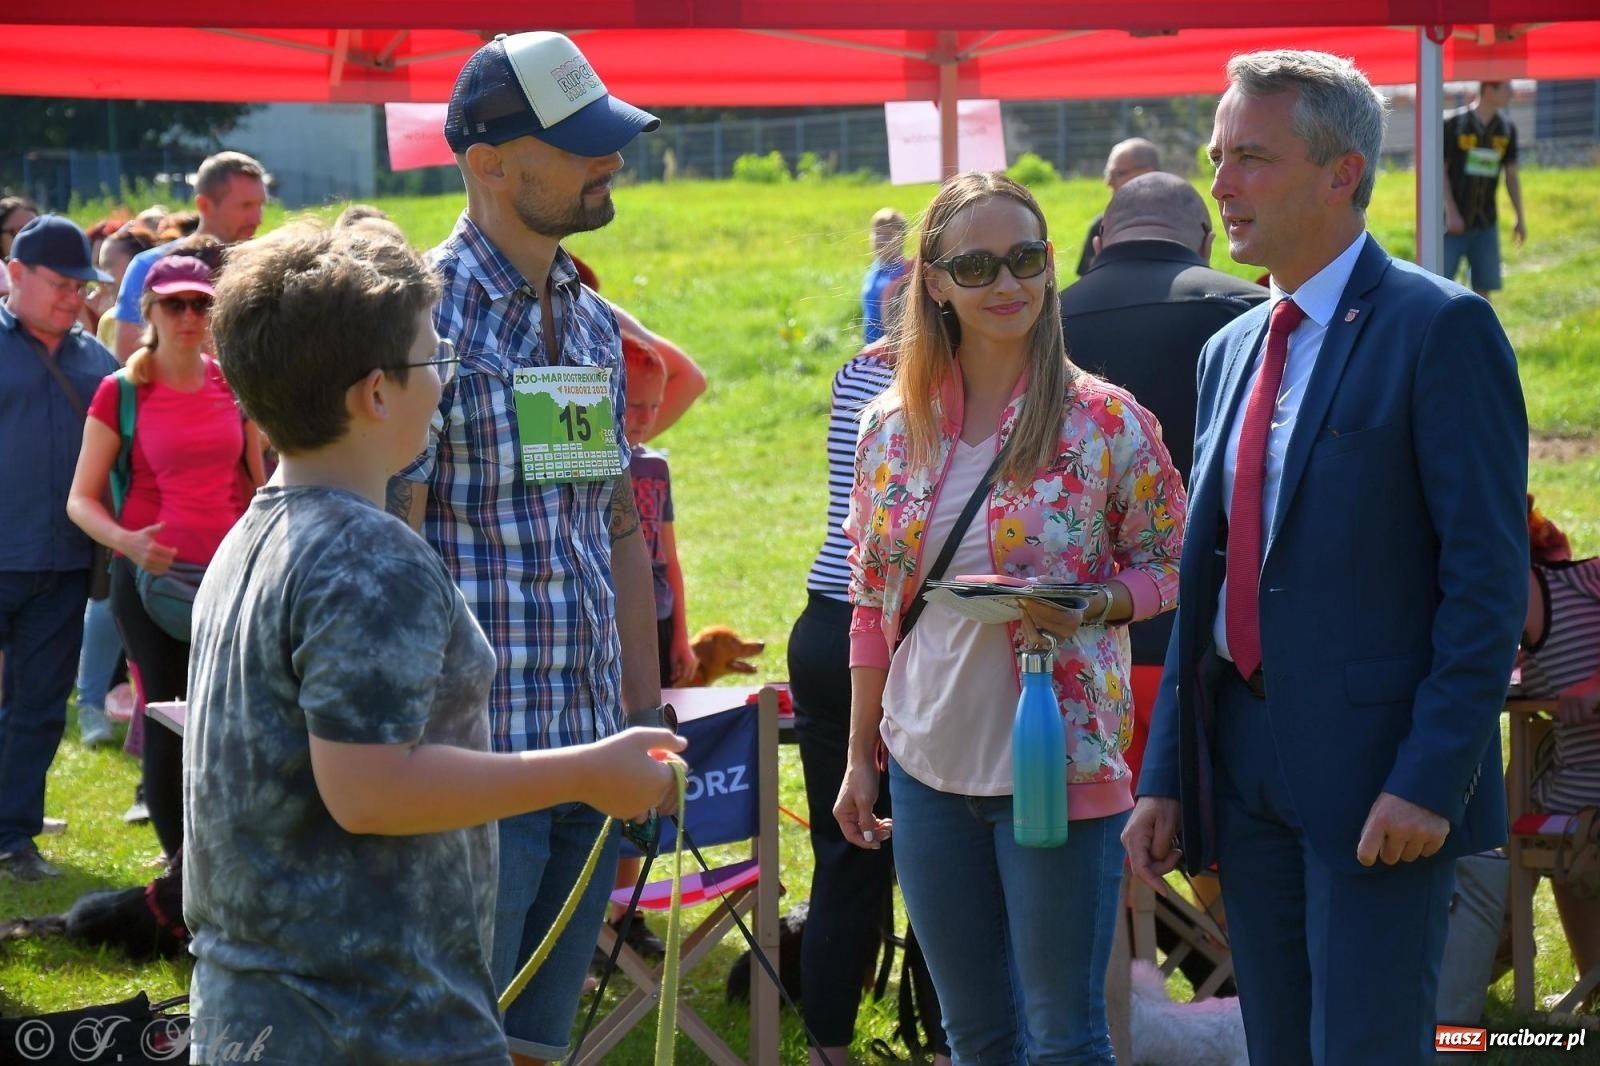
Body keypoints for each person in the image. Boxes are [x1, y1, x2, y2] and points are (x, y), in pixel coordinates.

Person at [182, 219, 686, 1065]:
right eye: (435, 361)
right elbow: (369, 792)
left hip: (265, 1008)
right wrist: (589, 771)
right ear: (376, 394)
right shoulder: (372, 555)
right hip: (369, 1021)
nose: (445, 378)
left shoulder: (254, 534)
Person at [1124, 50, 1528, 1066]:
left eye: (1249, 158)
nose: (1218, 187)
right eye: (1217, 157)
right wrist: (1167, 771)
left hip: (1380, 777)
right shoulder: (1230, 349)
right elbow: (1203, 576)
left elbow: (1484, 584)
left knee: (1364, 1046)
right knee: (1280, 1048)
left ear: (1342, 171)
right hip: (1241, 761)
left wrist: (1432, 777)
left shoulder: (1442, 329)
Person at [836, 171, 1185, 1064]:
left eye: (1026, 258)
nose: (1007, 284)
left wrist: (1094, 604)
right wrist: (857, 762)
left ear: (1053, 264)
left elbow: (1171, 563)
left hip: (1057, 758)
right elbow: (872, 606)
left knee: (1064, 1035)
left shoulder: (1107, 421)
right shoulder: (889, 427)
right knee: (976, 1035)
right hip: (925, 767)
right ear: (936, 281)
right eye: (979, 265)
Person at [387, 31, 668, 1065]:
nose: (612, 161)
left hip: (588, 762)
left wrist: (640, 717)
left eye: (608, 138)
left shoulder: (590, 324)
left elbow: (614, 525)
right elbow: (392, 549)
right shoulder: (417, 321)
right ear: (487, 164)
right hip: (471, 775)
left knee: (538, 1045)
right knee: (449, 1043)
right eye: (582, 144)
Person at [1060, 172, 1266, 780]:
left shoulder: (1032, 324)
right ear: (1206, 242)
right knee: (1228, 857)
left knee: (1097, 857)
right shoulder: (1255, 314)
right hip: (1219, 639)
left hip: (1073, 644)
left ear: (1100, 241)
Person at [66, 255, 266, 863]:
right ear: (148, 310)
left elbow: (260, 481)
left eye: (201, 304)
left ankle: (220, 850)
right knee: (165, 717)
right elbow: (80, 499)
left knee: (226, 717)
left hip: (226, 580)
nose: (188, 316)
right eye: (174, 304)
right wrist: (127, 542)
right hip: (149, 581)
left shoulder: (231, 385)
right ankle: (180, 865)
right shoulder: (123, 391)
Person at [791, 289, 937, 1065]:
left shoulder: (859, 369)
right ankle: (948, 1047)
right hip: (897, 625)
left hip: (828, 618)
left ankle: (828, 1054)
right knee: (948, 859)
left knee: (843, 858)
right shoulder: (962, 379)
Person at [0, 215, 118, 881]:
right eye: (62, 283)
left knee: (42, 705)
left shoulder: (97, 362)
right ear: (15, 275)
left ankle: (14, 838)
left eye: (84, 285)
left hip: (65, 564)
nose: (75, 297)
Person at [1520, 499, 1600, 1004]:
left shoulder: (1582, 578)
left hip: (1579, 790)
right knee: (1528, 794)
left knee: (1532, 812)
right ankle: (1591, 981)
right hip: (1576, 782)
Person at [111, 151, 268, 360]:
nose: (258, 219)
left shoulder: (265, 266)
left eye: (260, 205)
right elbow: (129, 356)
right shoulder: (149, 266)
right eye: (246, 206)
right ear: (204, 205)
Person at [1443, 80, 1526, 300]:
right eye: (1507, 87)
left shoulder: (1507, 129)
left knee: (1484, 290)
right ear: (1489, 90)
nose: (1512, 92)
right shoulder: (1454, 124)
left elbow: (1511, 176)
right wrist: (1451, 213)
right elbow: (1439, 172)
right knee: (1438, 284)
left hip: (1486, 222)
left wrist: (1520, 216)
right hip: (1451, 225)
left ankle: (1477, 331)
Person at [1075, 137, 1159, 277]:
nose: (1108, 182)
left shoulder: (1177, 222)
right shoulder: (1101, 226)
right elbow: (1088, 286)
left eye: (1118, 174)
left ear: (1146, 174)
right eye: (1108, 174)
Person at [862, 207, 911, 344]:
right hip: (872, 350)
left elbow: (903, 327)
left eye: (888, 234)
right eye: (877, 233)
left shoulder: (906, 273)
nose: (881, 239)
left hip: (893, 353)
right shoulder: (873, 270)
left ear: (900, 238)